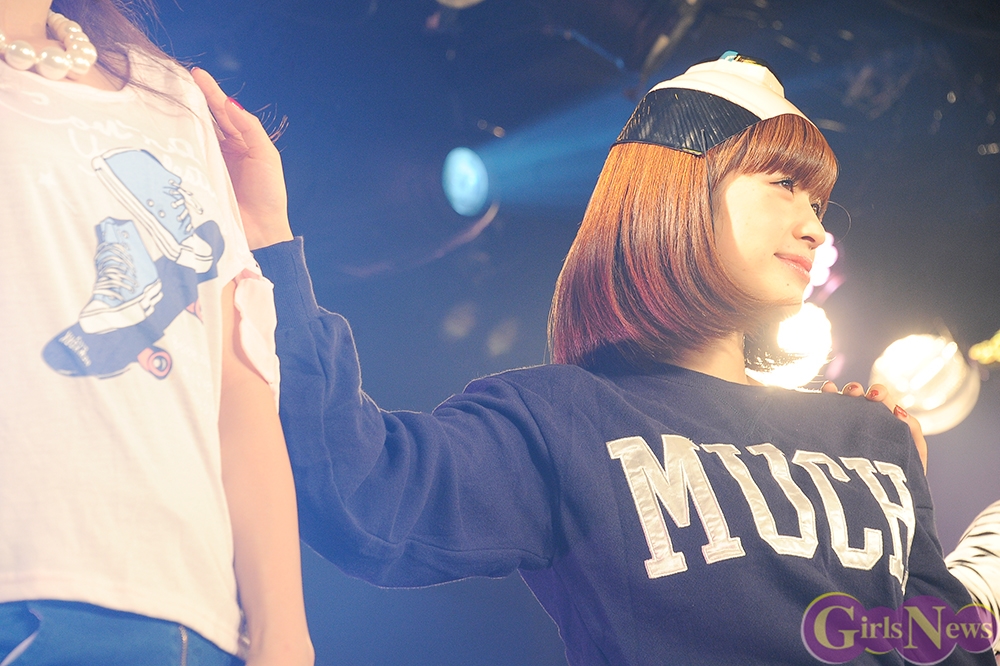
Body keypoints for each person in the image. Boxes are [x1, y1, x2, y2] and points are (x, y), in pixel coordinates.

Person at [195, 53, 996, 664]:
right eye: (784, 185)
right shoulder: (563, 418)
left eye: (817, 201)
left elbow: (947, 649)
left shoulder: (871, 437)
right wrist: (268, 238)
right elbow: (362, 492)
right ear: (680, 188)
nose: (816, 226)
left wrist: (930, 534)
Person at [0, 1, 312, 665]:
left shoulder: (165, 92)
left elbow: (238, 383)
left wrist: (285, 638)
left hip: (189, 612)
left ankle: (137, 258)